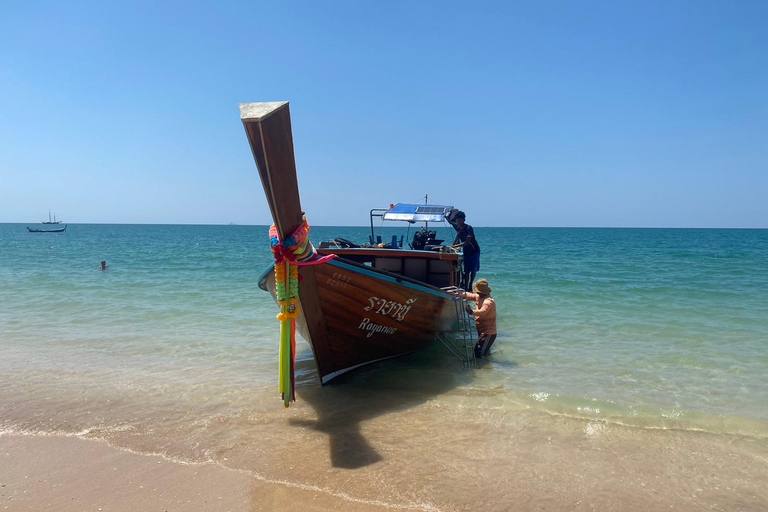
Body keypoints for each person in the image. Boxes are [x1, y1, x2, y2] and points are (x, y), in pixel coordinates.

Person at [462, 279, 497, 358]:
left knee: (479, 353)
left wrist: (471, 312)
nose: (476, 293)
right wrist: (460, 293)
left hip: (488, 332)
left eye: (477, 291)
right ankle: (486, 367)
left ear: (481, 292)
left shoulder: (488, 302)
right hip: (482, 330)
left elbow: (482, 312)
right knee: (480, 352)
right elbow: (469, 295)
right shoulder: (479, 297)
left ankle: (484, 368)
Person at [447, 209, 480, 291]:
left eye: (460, 220)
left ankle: (470, 285)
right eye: (457, 220)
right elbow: (457, 233)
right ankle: (465, 287)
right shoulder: (457, 227)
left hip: (474, 250)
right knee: (466, 270)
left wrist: (455, 246)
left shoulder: (469, 228)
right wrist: (448, 214)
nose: (459, 221)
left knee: (473, 269)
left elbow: (467, 242)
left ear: (464, 220)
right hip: (466, 251)